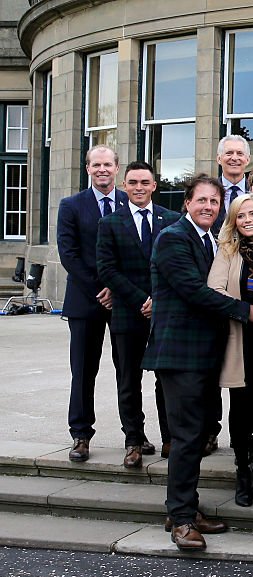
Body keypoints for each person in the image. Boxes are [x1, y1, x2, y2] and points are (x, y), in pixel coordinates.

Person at [144, 174, 253, 551]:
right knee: (186, 437)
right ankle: (181, 519)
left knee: (195, 435)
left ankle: (185, 508)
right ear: (187, 203)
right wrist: (247, 311)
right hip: (180, 354)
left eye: (215, 201)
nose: (209, 207)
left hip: (205, 355)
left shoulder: (212, 240)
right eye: (202, 201)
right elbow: (195, 292)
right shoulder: (172, 239)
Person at [96, 160, 177, 467]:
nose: (139, 188)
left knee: (165, 380)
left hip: (163, 314)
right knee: (128, 379)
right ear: (124, 186)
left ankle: (170, 438)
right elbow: (107, 269)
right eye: (133, 183)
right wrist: (141, 298)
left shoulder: (170, 220)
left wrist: (158, 298)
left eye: (145, 182)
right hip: (128, 314)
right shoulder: (111, 223)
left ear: (154, 186)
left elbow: (176, 265)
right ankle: (133, 440)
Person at [58, 144, 128, 463]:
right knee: (83, 371)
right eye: (95, 164)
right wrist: (102, 288)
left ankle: (135, 436)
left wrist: (118, 289)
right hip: (85, 301)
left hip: (124, 302)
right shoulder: (71, 205)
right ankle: (81, 435)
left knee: (128, 370)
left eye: (107, 164)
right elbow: (69, 255)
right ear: (88, 168)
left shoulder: (130, 203)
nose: (102, 169)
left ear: (117, 168)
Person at [208, 194, 253, 507]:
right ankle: (242, 470)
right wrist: (247, 311)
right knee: (242, 407)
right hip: (241, 338)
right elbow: (215, 291)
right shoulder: (228, 250)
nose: (247, 220)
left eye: (252, 214)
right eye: (240, 216)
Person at [215, 135, 251, 228]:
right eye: (229, 153)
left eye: (240, 153)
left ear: (247, 160)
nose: (234, 158)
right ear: (219, 159)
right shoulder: (209, 192)